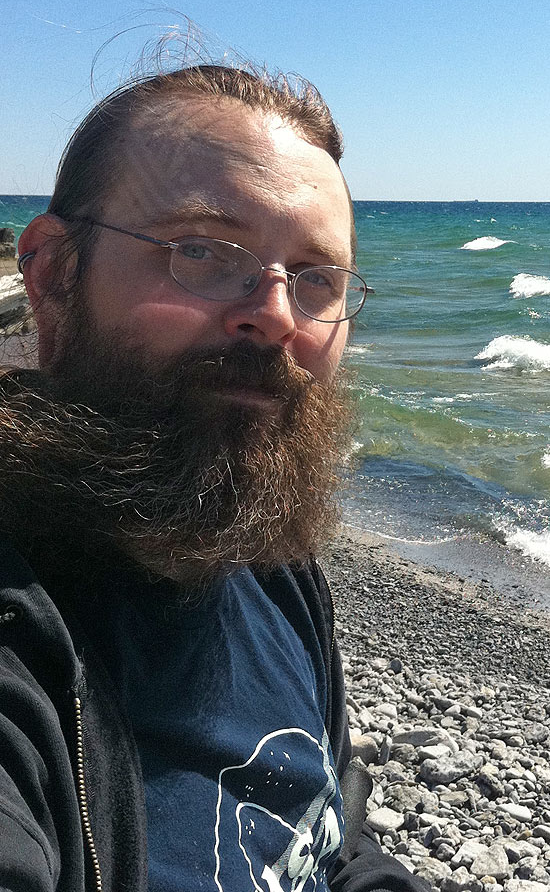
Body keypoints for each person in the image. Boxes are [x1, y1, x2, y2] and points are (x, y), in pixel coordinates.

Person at [0, 62, 427, 892]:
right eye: (199, 250)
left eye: (316, 279)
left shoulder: (266, 559)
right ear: (53, 274)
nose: (274, 314)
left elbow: (328, 840)